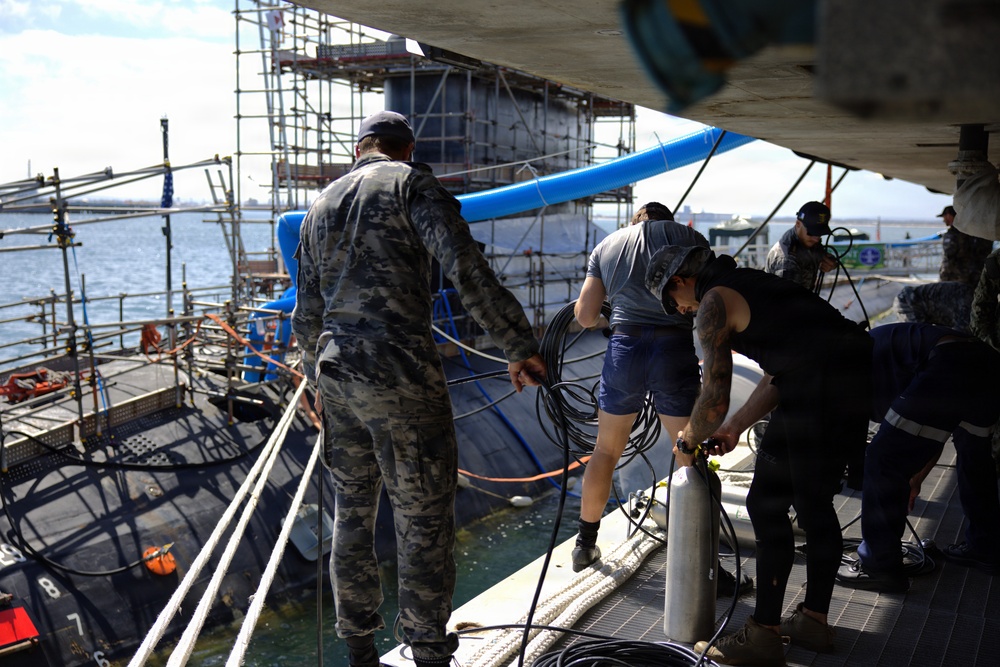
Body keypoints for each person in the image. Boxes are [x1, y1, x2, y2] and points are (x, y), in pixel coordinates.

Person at [291, 110, 546, 667]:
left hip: (337, 372)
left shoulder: (319, 206)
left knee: (352, 513)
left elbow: (306, 312)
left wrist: (317, 380)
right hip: (400, 369)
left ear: (360, 149)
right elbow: (466, 269)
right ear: (407, 150)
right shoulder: (412, 185)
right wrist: (517, 344)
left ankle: (359, 649)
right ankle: (428, 650)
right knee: (423, 515)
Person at [645, 245, 872, 666]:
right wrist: (734, 427)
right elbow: (780, 370)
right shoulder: (754, 284)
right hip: (846, 379)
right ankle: (813, 622)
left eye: (672, 301)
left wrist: (687, 441)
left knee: (769, 505)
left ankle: (764, 634)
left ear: (680, 281)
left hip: (817, 389)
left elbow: (714, 398)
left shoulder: (713, 303)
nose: (679, 310)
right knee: (813, 506)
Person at [572, 202, 749, 594]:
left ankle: (585, 545)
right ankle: (709, 567)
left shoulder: (606, 246)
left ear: (635, 220)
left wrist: (609, 316)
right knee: (688, 449)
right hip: (673, 349)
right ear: (668, 221)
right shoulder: (689, 238)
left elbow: (584, 316)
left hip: (624, 349)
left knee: (606, 450)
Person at [835, 323, 1000, 593]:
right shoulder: (880, 352)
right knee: (974, 458)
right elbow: (932, 432)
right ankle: (986, 546)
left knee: (881, 458)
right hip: (985, 363)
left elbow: (901, 442)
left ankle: (879, 566)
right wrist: (916, 479)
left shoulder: (857, 368)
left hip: (948, 363)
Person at [764, 200, 838, 291]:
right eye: (812, 233)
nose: (817, 239)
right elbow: (787, 298)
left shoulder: (807, 239)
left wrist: (830, 262)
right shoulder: (786, 260)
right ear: (798, 224)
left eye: (820, 233)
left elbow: (819, 254)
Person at [939, 204, 993, 285]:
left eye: (944, 217)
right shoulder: (971, 232)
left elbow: (950, 254)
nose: (943, 220)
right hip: (971, 275)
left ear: (949, 216)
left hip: (955, 276)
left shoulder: (953, 234)